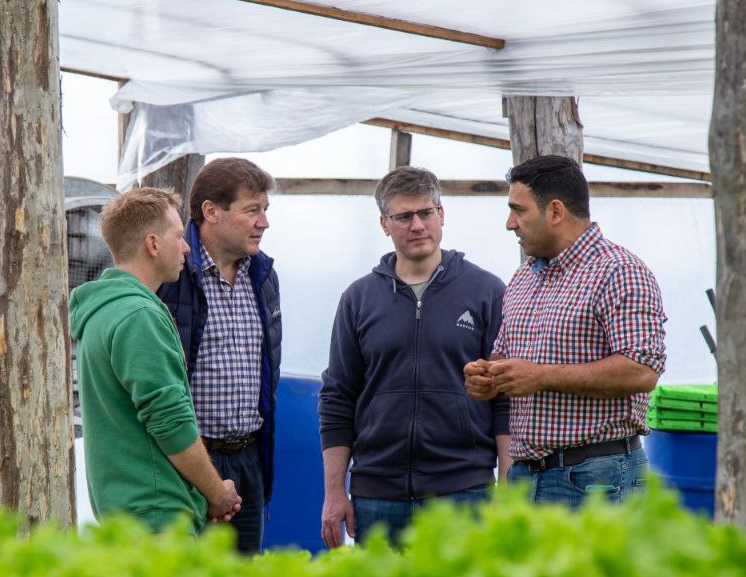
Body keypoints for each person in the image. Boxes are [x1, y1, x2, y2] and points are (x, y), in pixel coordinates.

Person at [319, 167, 509, 548]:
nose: (417, 225)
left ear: (443, 215)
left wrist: (507, 486)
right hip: (378, 494)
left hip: (464, 490)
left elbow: (505, 397)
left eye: (426, 212)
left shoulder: (486, 291)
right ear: (384, 224)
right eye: (404, 217)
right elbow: (338, 397)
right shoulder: (359, 298)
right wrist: (335, 493)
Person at [465, 154, 666, 506]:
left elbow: (642, 371)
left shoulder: (619, 272)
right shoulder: (525, 275)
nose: (510, 223)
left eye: (518, 209)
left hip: (597, 477)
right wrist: (487, 374)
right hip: (527, 476)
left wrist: (541, 376)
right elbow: (506, 354)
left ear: (555, 212)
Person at [69, 187, 241, 534]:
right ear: (153, 244)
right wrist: (216, 491)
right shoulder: (139, 316)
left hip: (123, 509)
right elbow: (170, 422)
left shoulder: (104, 310)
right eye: (178, 236)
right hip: (157, 514)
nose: (187, 247)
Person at [157, 158, 282, 555]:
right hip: (187, 461)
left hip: (248, 458)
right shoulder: (171, 274)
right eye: (252, 210)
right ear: (211, 211)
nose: (263, 222)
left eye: (265, 210)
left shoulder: (263, 276)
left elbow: (267, 374)